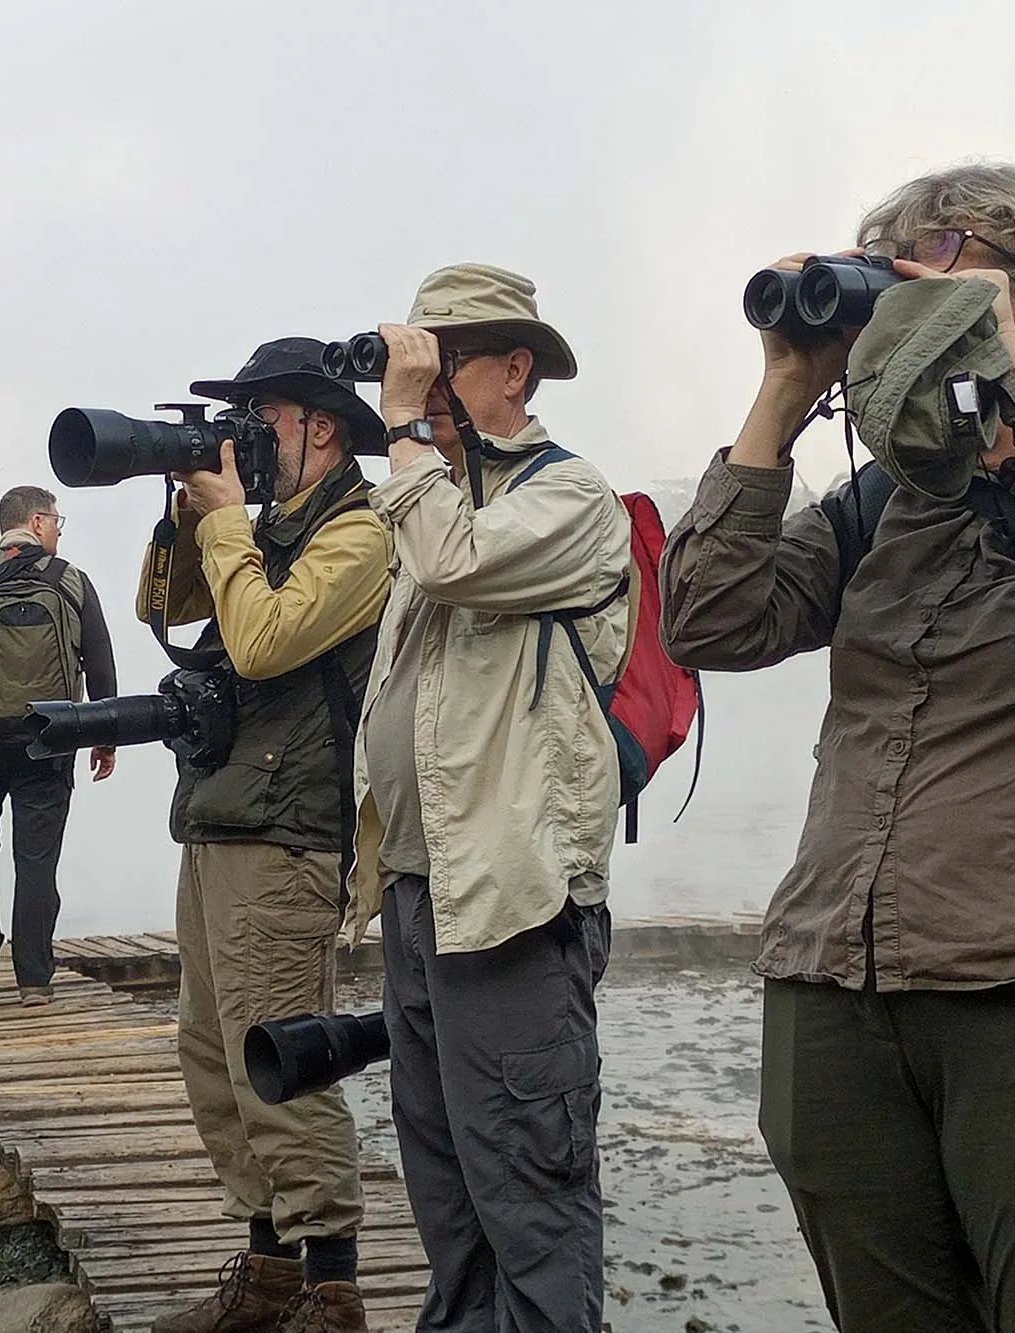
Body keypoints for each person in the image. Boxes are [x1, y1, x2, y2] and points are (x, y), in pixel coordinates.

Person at [659, 162, 1015, 1332]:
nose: (906, 297)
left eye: (939, 265)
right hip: (833, 992)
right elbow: (708, 620)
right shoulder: (880, 506)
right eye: (893, 269)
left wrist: (1007, 364)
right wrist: (783, 391)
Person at [346, 264, 631, 1332]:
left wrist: (404, 438)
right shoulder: (430, 495)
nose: (421, 382)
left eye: (444, 359)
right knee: (447, 1195)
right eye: (414, 356)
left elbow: (458, 564)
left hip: (512, 900)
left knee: (529, 1188)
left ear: (515, 369)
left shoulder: (566, 495)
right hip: (422, 891)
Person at [137, 339, 392, 1333]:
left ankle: (333, 1286)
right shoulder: (266, 527)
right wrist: (185, 517)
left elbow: (264, 638)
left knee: (278, 1055)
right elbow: (164, 607)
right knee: (208, 1051)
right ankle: (267, 1264)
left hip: (290, 832)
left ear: (318, 426)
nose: (239, 434)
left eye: (259, 417)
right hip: (217, 815)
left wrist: (230, 523)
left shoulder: (360, 534)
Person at [0, 485, 118, 1004]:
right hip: (49, 739)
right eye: (56, 520)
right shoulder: (70, 580)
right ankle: (34, 980)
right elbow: (99, 662)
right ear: (36, 521)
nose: (58, 529)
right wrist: (103, 737)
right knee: (36, 858)